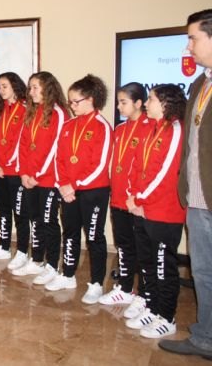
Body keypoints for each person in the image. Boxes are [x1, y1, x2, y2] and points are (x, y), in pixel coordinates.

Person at [159, 9, 212, 359]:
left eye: (193, 37)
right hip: (196, 197)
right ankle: (205, 336)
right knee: (204, 271)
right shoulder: (201, 83)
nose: (188, 45)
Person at [125, 84, 186, 339]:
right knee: (147, 263)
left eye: (150, 99)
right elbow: (137, 165)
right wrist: (132, 194)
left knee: (163, 268)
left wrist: (139, 198)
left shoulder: (174, 129)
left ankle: (167, 317)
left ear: (166, 104)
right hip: (144, 208)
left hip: (164, 212)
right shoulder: (152, 129)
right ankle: (151, 307)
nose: (146, 104)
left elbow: (165, 173)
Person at [47, 75, 113, 305]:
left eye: (76, 102)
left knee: (94, 237)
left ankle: (96, 283)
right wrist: (63, 185)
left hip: (93, 191)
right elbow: (60, 159)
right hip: (68, 191)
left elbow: (100, 164)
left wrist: (74, 186)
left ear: (91, 99)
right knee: (71, 232)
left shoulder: (102, 126)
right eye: (70, 101)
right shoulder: (68, 125)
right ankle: (68, 274)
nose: (72, 106)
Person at [98, 83, 151, 316]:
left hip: (135, 200)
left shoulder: (150, 128)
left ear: (139, 103)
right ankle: (125, 287)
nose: (119, 106)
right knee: (124, 245)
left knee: (143, 249)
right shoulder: (120, 129)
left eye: (123, 102)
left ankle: (143, 295)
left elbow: (145, 168)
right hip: (118, 197)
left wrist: (136, 196)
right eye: (118, 102)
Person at [12, 72, 68, 283]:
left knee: (48, 221)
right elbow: (24, 144)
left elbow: (56, 148)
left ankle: (52, 265)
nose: (31, 92)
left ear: (48, 88)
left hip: (48, 179)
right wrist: (24, 173)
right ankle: (36, 260)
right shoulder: (32, 112)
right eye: (30, 87)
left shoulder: (58, 113)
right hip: (30, 178)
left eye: (36, 87)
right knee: (35, 219)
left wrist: (37, 174)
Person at [0, 72, 29, 269]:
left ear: (15, 86)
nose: (1, 90)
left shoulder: (26, 109)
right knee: (3, 211)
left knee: (20, 213)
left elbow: (24, 141)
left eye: (5, 86)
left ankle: (22, 251)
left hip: (17, 171)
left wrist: (8, 163)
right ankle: (3, 246)